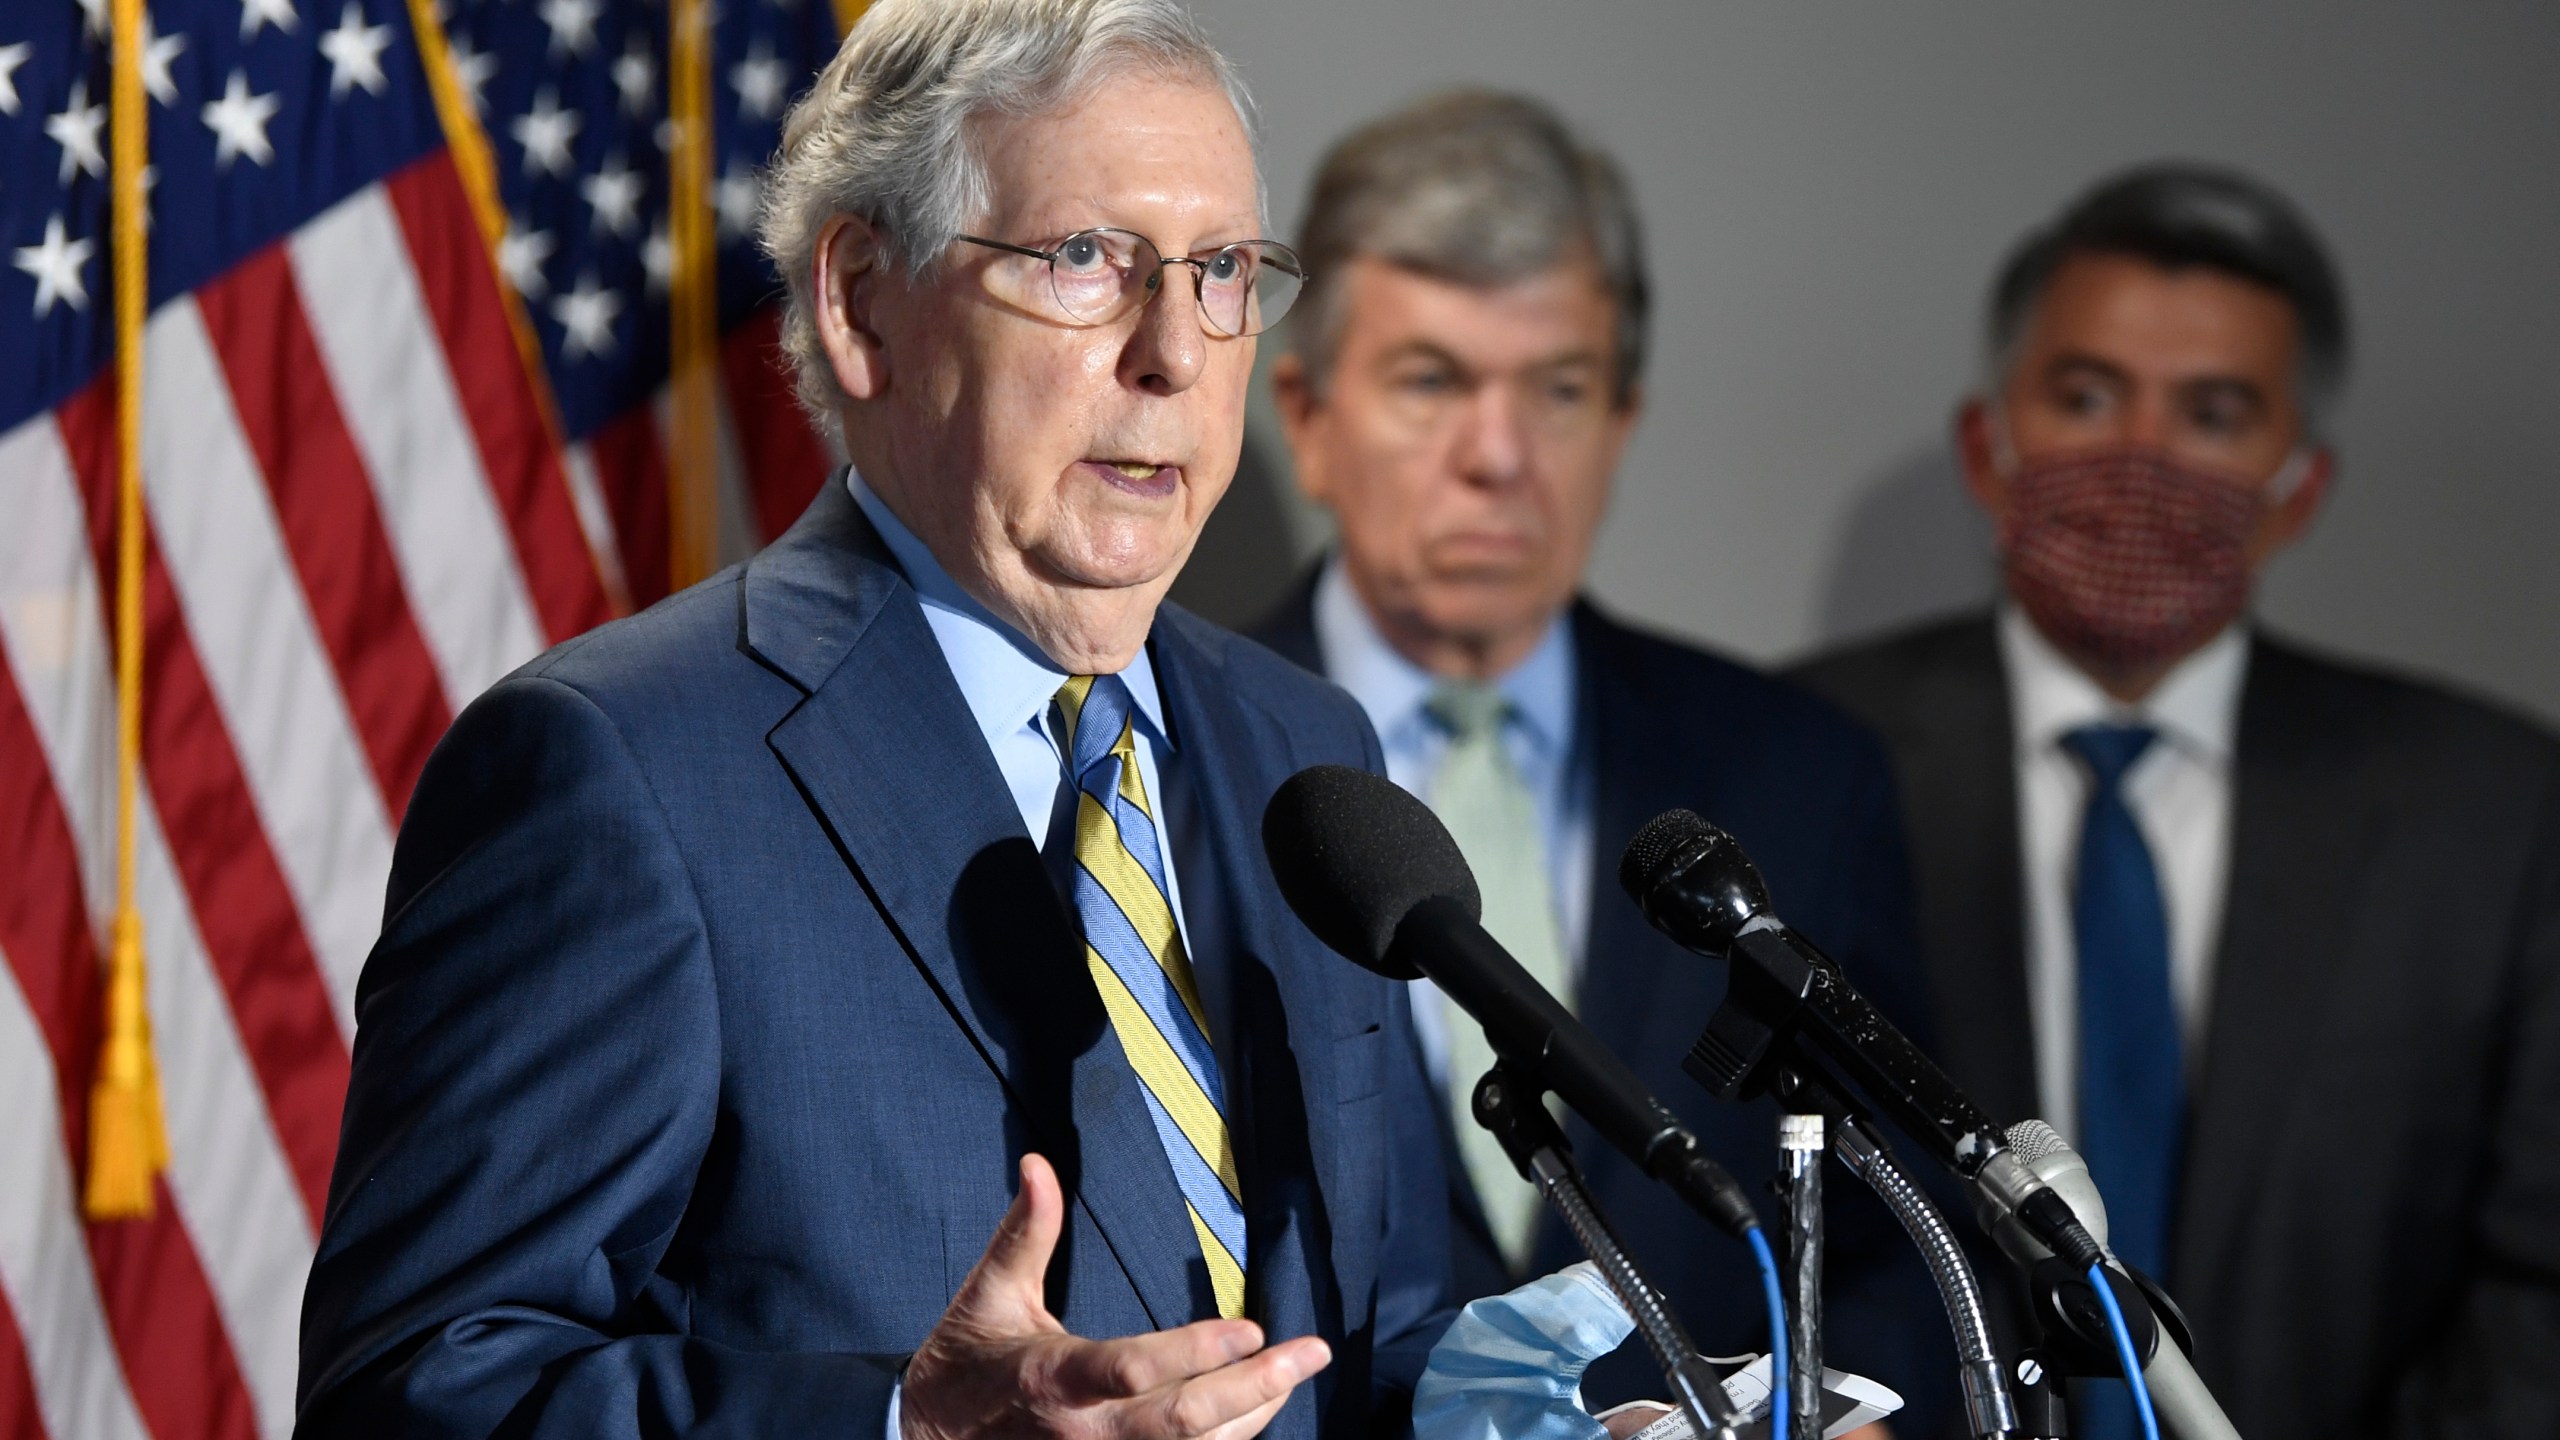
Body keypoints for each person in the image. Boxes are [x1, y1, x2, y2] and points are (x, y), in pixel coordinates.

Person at [294, 3, 1458, 1436]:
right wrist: (900, 1431)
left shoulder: (1304, 750)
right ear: (859, 303)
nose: (1174, 352)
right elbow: (414, 1394)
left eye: (1220, 271)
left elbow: (1367, 1337)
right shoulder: (617, 770)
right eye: (1086, 260)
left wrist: (1609, 1425)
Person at [1793, 164, 2560, 1440]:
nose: (2141, 459)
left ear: (2298, 489)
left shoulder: (2494, 809)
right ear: (1989, 446)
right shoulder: (1798, 759)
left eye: (2212, 414)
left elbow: (2538, 1288)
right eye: (2086, 396)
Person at [1248, 90, 1949, 1425]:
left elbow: (1900, 1249)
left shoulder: (1802, 777)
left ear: (1623, 418)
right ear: (1306, 413)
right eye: (1431, 381)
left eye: (1558, 389)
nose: (1499, 457)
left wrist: (1808, 1412)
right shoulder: (1157, 765)